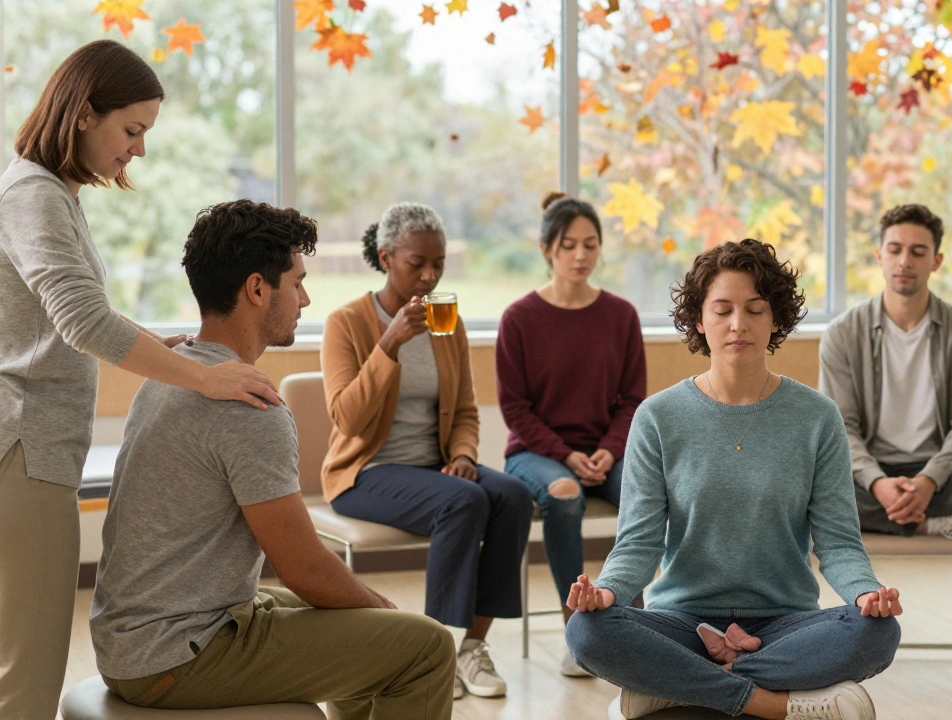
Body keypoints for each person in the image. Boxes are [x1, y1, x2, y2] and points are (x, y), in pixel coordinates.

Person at [89, 199, 455, 719]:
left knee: (362, 628)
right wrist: (381, 609)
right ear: (258, 289)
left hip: (132, 641)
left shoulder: (170, 372)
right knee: (425, 646)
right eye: (298, 282)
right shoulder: (248, 405)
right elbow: (303, 569)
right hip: (178, 655)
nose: (305, 299)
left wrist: (368, 615)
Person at [0, 41, 278, 719]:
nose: (139, 151)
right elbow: (81, 319)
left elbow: (60, 314)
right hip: (25, 448)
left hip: (32, 448)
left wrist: (160, 343)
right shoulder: (33, 193)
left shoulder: (46, 192)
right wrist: (202, 379)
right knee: (27, 670)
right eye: (132, 130)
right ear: (82, 115)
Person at [565, 240, 902, 720]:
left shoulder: (817, 418)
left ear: (775, 319)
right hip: (684, 622)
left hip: (786, 623)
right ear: (699, 320)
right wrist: (608, 592)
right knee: (586, 631)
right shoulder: (658, 417)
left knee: (879, 633)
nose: (738, 324)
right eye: (721, 310)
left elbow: (840, 543)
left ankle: (677, 685)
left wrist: (867, 594)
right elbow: (638, 543)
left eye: (755, 310)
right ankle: (773, 702)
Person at [322, 202, 533, 700]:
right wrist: (388, 344)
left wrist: (462, 454)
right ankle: (431, 655)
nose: (430, 274)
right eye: (417, 262)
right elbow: (347, 420)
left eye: (438, 264)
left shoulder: (447, 323)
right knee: (465, 501)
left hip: (433, 468)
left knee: (514, 496)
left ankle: (471, 649)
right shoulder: (347, 322)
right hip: (365, 473)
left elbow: (464, 408)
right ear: (386, 256)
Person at [496, 191, 646, 676]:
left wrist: (607, 450)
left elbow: (632, 401)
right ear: (547, 250)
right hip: (537, 453)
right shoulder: (519, 318)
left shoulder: (621, 315)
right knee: (563, 494)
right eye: (568, 246)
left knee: (647, 489)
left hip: (606, 451)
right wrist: (566, 455)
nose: (581, 255)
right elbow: (515, 409)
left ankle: (637, 627)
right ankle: (578, 632)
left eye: (590, 244)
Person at [819, 204, 952, 542]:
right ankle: (934, 523)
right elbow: (840, 428)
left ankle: (900, 514)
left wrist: (928, 481)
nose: (905, 261)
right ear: (878, 255)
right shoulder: (842, 333)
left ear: (936, 261)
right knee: (802, 479)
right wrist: (877, 483)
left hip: (940, 472)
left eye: (918, 252)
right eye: (895, 249)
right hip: (868, 473)